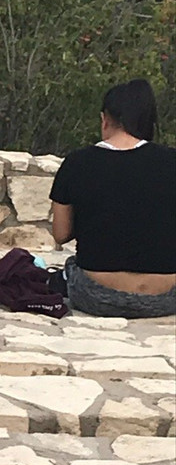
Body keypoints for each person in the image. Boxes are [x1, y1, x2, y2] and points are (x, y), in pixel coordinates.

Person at [49, 79, 175, 317]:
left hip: (95, 295)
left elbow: (61, 233)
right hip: (165, 299)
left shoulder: (77, 162)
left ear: (104, 120)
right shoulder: (171, 161)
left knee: (68, 270)